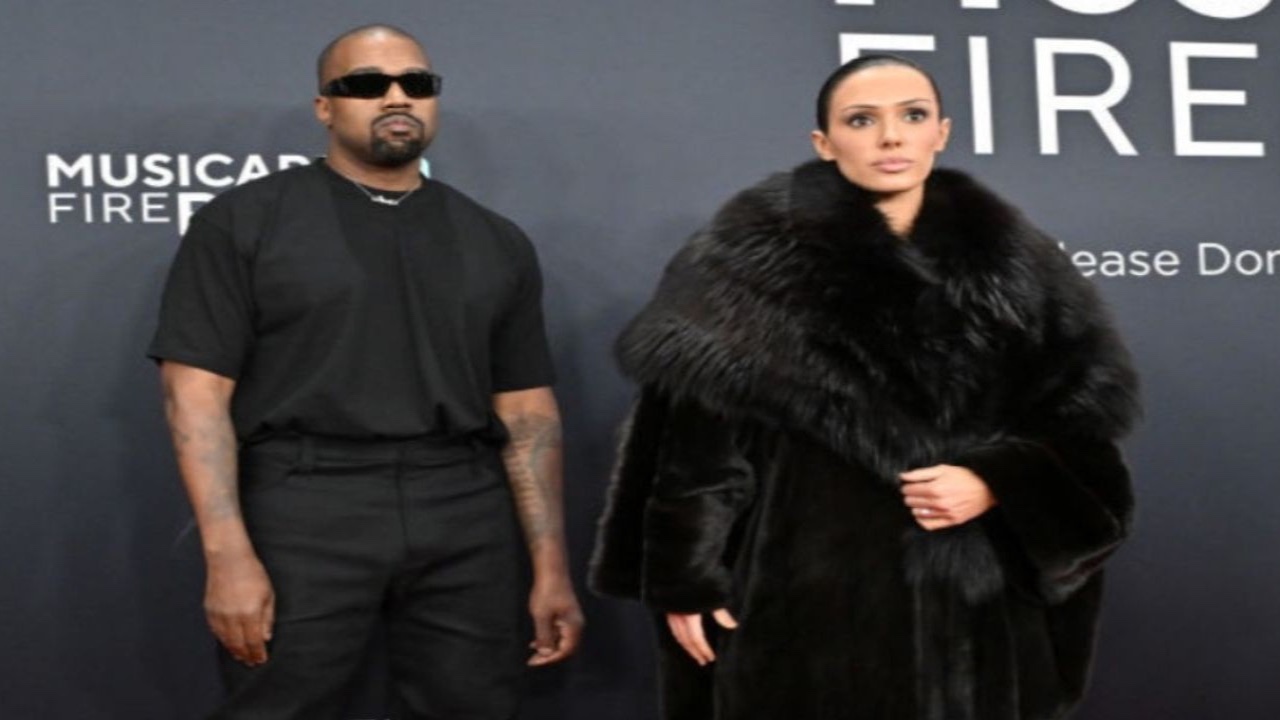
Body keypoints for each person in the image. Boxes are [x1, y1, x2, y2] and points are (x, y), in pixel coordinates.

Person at [590, 54, 1139, 720]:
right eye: (862, 120)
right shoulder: (741, 266)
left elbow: (1083, 447)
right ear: (824, 143)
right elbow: (692, 451)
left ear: (941, 131)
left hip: (974, 615)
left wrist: (999, 480)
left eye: (912, 116)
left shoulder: (1023, 273)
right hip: (803, 602)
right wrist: (685, 578)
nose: (891, 137)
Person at [149, 24, 583, 720]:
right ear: (325, 106)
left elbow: (528, 411)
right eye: (365, 84)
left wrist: (551, 567)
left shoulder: (496, 240)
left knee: (476, 705)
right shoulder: (245, 221)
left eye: (416, 83)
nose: (395, 97)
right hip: (304, 502)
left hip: (465, 507)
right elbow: (192, 396)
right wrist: (226, 553)